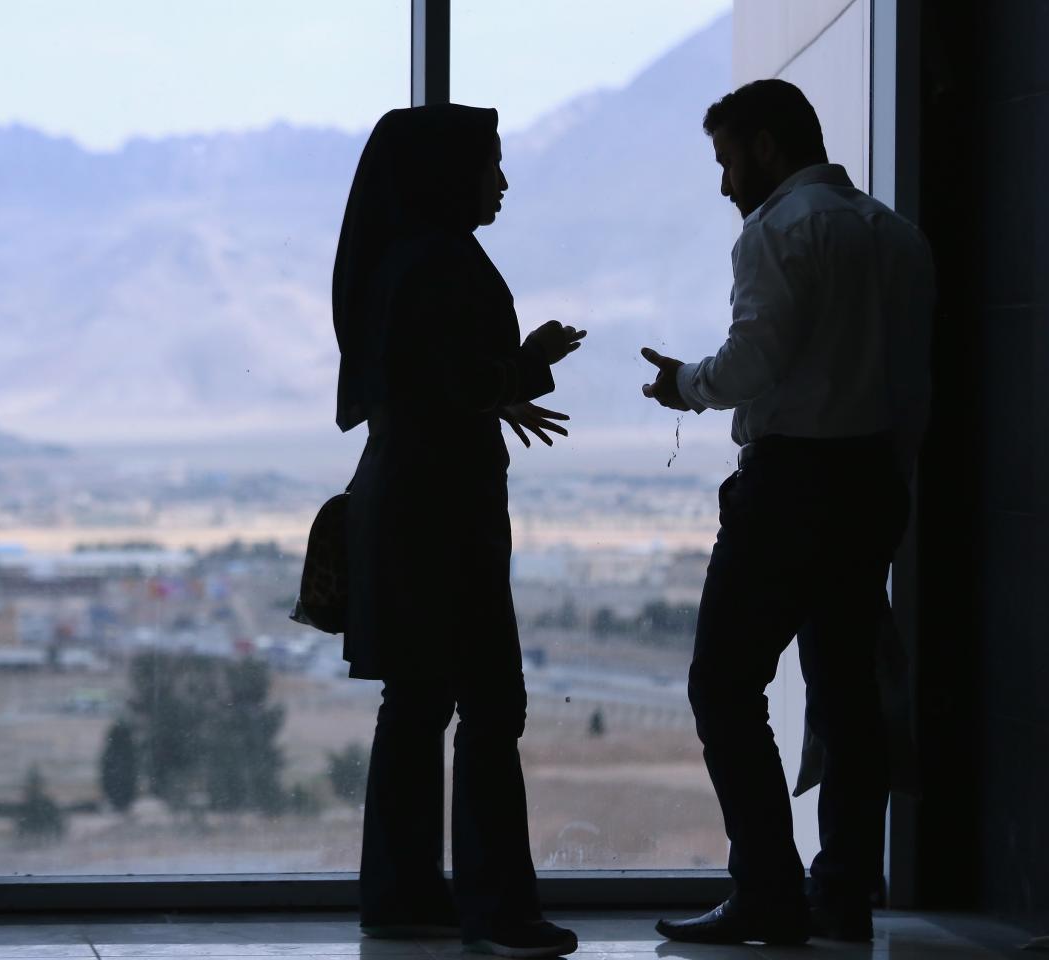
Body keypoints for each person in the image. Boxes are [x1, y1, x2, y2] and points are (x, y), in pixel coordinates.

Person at [642, 79, 934, 945]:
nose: (725, 182)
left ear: (767, 148)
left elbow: (754, 360)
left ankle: (768, 890)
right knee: (848, 688)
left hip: (791, 487)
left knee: (724, 684)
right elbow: (917, 384)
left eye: (729, 159)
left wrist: (683, 384)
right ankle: (841, 893)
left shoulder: (780, 231)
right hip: (873, 483)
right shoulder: (900, 238)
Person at [331, 104, 585, 958]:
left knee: (418, 702)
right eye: (491, 166)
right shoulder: (439, 263)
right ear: (448, 174)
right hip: (444, 517)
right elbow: (449, 381)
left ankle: (402, 896)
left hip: (410, 507)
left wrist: (497, 389)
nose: (502, 182)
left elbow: (418, 382)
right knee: (489, 702)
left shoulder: (402, 260)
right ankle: (498, 910)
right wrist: (529, 362)